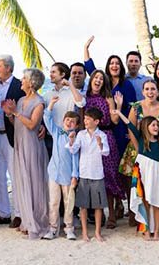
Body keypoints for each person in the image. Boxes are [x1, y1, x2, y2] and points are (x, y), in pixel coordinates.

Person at [2, 68, 51, 239]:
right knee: (22, 181)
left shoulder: (39, 102)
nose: (21, 80)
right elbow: (17, 124)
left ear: (32, 82)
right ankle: (26, 221)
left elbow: (32, 125)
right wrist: (9, 114)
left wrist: (15, 112)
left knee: (34, 182)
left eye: (24, 78)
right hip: (20, 143)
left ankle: (36, 221)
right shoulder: (21, 99)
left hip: (32, 146)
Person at [123, 111, 159, 240]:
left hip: (156, 173)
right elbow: (130, 125)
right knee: (144, 201)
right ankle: (146, 229)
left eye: (157, 125)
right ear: (146, 127)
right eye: (152, 125)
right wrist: (119, 111)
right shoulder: (141, 139)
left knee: (156, 202)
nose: (156, 127)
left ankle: (156, 231)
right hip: (142, 171)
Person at [66, 107, 110, 242]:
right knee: (83, 206)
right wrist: (71, 141)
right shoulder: (80, 134)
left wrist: (100, 144)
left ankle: (97, 232)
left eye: (88, 119)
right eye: (84, 118)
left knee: (98, 206)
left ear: (96, 121)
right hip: (84, 173)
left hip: (97, 174)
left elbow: (106, 153)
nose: (85, 121)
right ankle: (85, 232)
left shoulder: (102, 135)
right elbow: (73, 151)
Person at [0, 53, 24, 226]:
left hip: (12, 137)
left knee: (15, 175)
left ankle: (19, 213)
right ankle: (4, 213)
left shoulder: (19, 86)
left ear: (8, 68)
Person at [85, 70, 124, 210]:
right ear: (91, 80)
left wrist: (118, 106)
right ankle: (98, 212)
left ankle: (113, 212)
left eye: (101, 78)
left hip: (106, 135)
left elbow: (114, 120)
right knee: (94, 175)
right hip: (89, 138)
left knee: (110, 174)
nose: (98, 80)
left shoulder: (107, 97)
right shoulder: (86, 98)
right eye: (96, 77)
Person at [45, 104, 80, 240]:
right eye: (68, 120)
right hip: (54, 172)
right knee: (53, 202)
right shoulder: (56, 132)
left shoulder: (76, 138)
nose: (69, 123)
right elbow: (47, 118)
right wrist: (52, 104)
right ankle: (53, 228)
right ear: (63, 121)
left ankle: (69, 228)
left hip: (67, 174)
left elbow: (75, 158)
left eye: (73, 122)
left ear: (76, 126)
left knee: (68, 202)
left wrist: (74, 176)